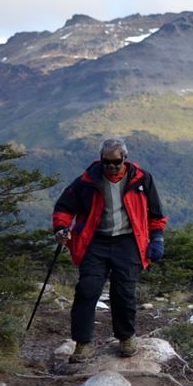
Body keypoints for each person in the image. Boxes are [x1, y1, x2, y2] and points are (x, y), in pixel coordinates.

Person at [52, 138, 167, 360]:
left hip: (128, 242)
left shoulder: (142, 180)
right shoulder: (87, 181)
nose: (111, 166)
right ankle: (83, 343)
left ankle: (126, 338)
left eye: (116, 162)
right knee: (87, 290)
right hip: (95, 242)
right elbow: (64, 207)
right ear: (101, 159)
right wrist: (61, 227)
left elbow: (156, 214)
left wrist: (157, 238)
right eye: (107, 162)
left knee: (123, 292)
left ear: (125, 158)